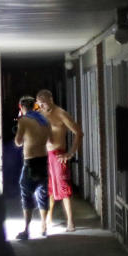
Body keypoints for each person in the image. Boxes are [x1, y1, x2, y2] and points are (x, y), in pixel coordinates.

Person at [36, 88, 82, 232]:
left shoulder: (61, 114)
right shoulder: (38, 115)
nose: (42, 106)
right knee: (45, 188)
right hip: (42, 154)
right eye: (39, 103)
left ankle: (70, 222)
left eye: (44, 103)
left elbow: (79, 133)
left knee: (64, 188)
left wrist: (70, 153)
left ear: (51, 100)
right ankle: (46, 220)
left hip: (57, 154)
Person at [14, 95, 51, 240]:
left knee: (26, 194)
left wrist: (23, 136)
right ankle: (43, 226)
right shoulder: (45, 121)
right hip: (43, 160)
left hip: (30, 162)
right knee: (42, 194)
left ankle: (26, 229)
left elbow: (18, 142)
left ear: (22, 107)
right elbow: (50, 140)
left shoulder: (23, 120)